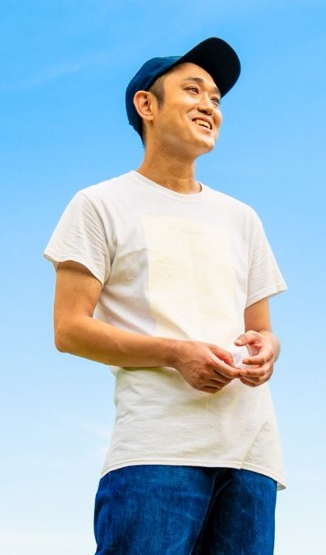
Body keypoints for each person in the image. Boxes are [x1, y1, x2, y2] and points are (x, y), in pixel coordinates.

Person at [43, 36, 287, 554]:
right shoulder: (99, 205)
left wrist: (268, 349)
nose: (209, 106)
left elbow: (261, 329)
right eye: (193, 91)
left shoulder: (242, 218)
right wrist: (177, 353)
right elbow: (69, 330)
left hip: (250, 454)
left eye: (216, 99)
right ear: (146, 105)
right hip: (156, 451)